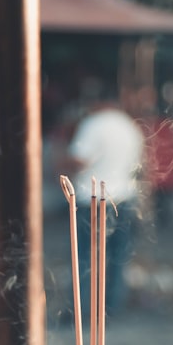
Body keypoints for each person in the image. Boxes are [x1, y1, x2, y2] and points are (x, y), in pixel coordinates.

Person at [60, 94, 145, 316]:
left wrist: (60, 159)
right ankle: (112, 308)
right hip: (125, 197)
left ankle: (83, 309)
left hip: (93, 199)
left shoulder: (93, 124)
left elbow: (79, 159)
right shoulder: (129, 126)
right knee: (118, 257)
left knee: (86, 257)